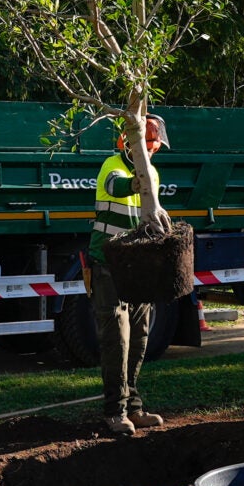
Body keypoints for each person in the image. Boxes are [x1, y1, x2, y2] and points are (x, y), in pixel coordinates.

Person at [89, 114, 169, 437]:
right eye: (149, 145)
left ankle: (133, 406)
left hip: (136, 267)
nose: (152, 152)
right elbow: (115, 186)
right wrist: (136, 183)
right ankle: (115, 411)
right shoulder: (112, 165)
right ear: (131, 144)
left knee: (139, 336)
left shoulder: (152, 173)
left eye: (154, 147)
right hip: (107, 263)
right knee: (116, 340)